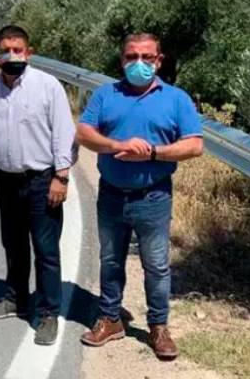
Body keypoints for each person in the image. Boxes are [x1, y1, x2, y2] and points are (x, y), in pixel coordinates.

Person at [77, 33, 203, 359]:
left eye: (147, 57)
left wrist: (152, 154)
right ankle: (110, 319)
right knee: (110, 260)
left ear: (159, 61)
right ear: (122, 60)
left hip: (154, 197)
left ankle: (158, 327)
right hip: (112, 195)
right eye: (132, 56)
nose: (139, 63)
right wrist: (119, 146)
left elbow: (194, 145)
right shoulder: (106, 94)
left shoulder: (176, 99)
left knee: (157, 265)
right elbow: (84, 132)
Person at [0, 25, 76, 345]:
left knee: (45, 250)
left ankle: (47, 313)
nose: (11, 55)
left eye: (18, 50)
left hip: (43, 181)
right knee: (13, 244)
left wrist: (61, 177)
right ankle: (16, 299)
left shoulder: (48, 87)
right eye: (5, 50)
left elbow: (64, 136)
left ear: (29, 53)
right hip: (6, 180)